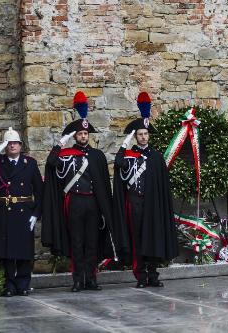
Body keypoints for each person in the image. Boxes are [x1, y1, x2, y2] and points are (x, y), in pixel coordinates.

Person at [41, 91, 116, 292]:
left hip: (92, 204)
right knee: (77, 242)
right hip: (74, 203)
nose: (83, 136)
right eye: (80, 134)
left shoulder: (97, 155)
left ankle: (91, 278)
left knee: (91, 242)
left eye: (85, 134)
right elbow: (50, 163)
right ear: (75, 136)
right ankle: (77, 280)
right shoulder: (66, 155)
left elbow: (103, 184)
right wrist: (59, 144)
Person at [113, 92, 178, 288]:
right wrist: (126, 142)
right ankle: (141, 277)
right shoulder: (130, 155)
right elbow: (118, 164)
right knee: (138, 240)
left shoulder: (156, 157)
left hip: (152, 204)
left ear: (149, 135)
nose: (142, 137)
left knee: (153, 238)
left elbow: (162, 185)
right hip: (135, 203)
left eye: (145, 134)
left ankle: (153, 275)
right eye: (139, 134)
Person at [0, 127, 43, 297]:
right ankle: (9, 285)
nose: (12, 146)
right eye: (8, 143)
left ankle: (24, 284)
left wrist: (36, 214)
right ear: (5, 146)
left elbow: (40, 191)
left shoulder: (30, 163)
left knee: (24, 250)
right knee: (8, 251)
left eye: (15, 143)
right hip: (5, 211)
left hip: (24, 211)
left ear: (20, 145)